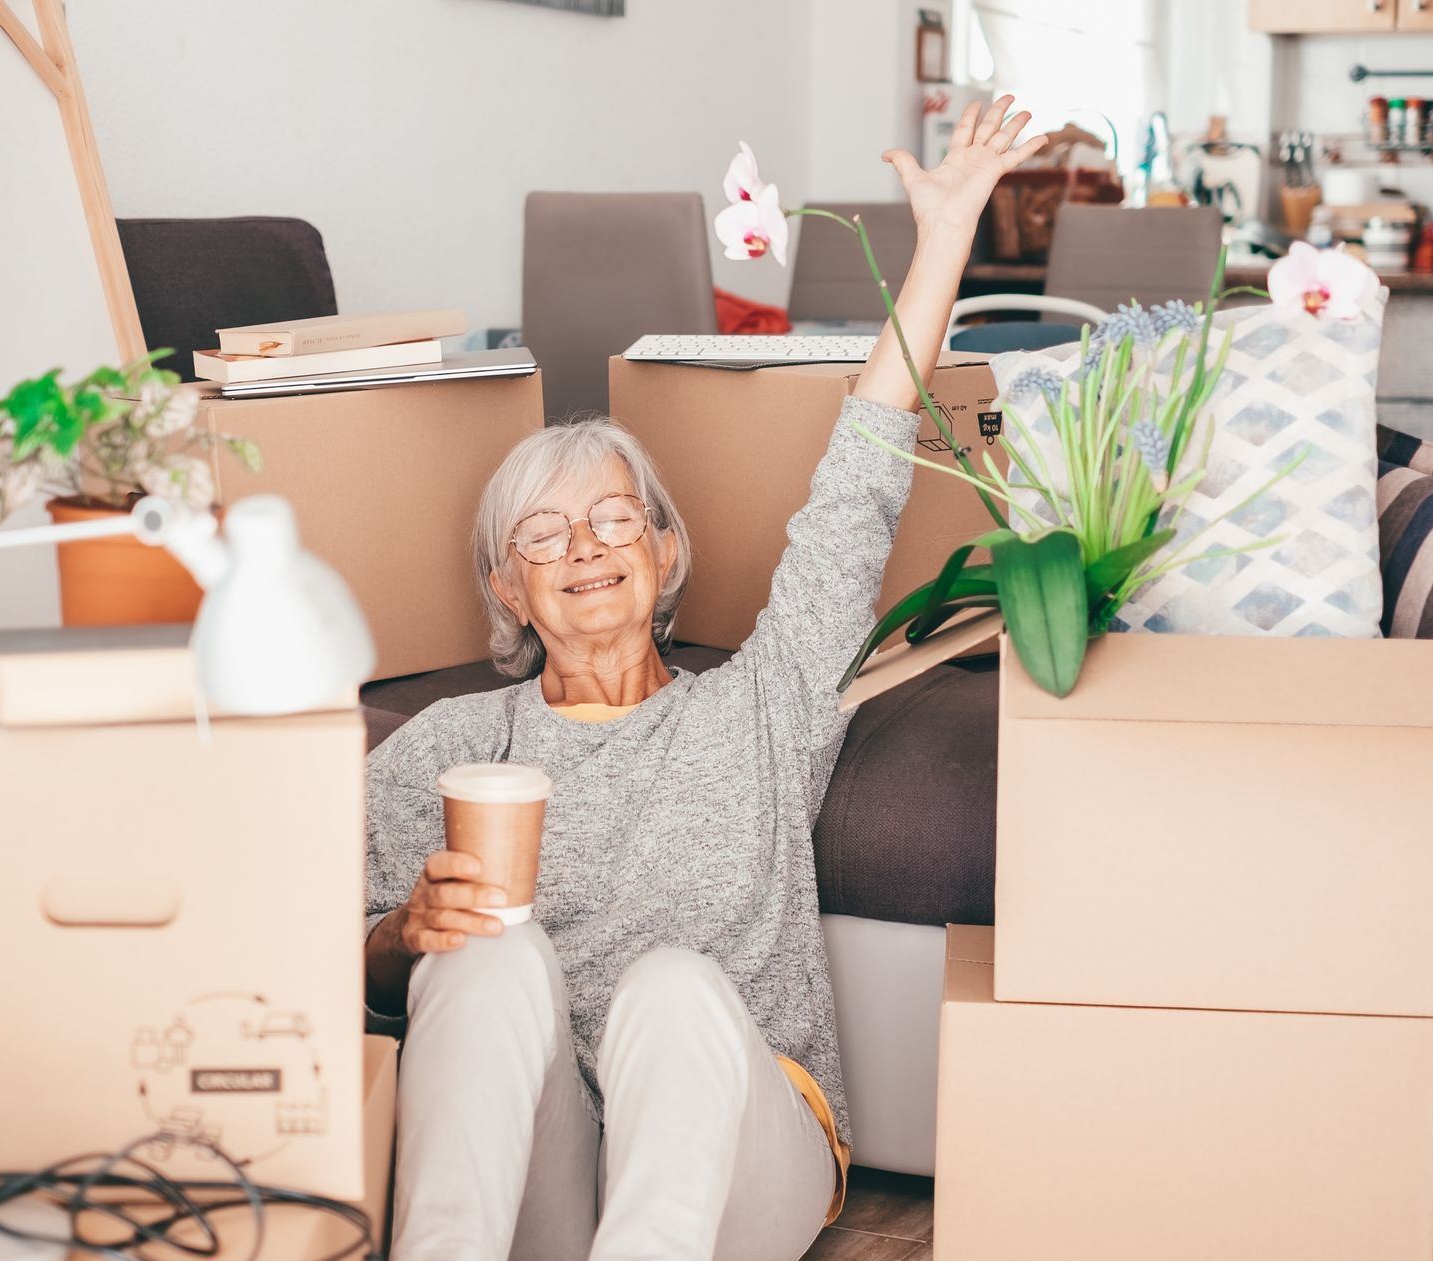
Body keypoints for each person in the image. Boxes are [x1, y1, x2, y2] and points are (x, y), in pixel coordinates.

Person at [364, 98, 1044, 1261]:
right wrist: (406, 932)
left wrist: (944, 237)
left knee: (674, 986)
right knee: (481, 956)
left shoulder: (761, 706)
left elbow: (863, 481)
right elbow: (315, 953)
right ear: (505, 588)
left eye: (614, 518)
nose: (582, 548)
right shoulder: (443, 749)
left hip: (743, 1153)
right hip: (553, 1167)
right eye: (542, 535)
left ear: (665, 552)